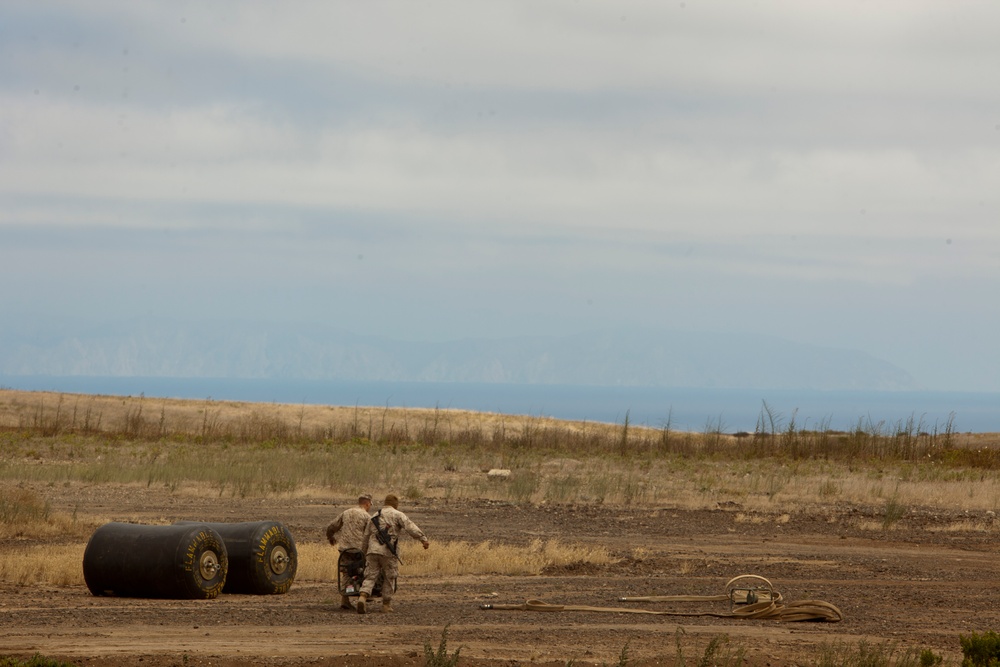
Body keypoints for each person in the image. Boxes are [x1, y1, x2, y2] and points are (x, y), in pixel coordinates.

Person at [356, 494, 429, 614]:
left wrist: (363, 552)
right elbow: (410, 527)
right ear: (395, 504)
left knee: (370, 576)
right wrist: (423, 539)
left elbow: (366, 536)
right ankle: (386, 605)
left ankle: (362, 597)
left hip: (372, 551)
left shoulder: (375, 515)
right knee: (390, 577)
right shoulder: (397, 514)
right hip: (388, 552)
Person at [325, 493, 373, 609]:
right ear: (367, 503)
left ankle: (345, 599)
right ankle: (364, 594)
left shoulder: (346, 512)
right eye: (370, 504)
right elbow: (371, 533)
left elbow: (331, 526)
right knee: (365, 570)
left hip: (345, 549)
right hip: (359, 550)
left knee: (346, 572)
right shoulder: (367, 517)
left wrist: (331, 537)